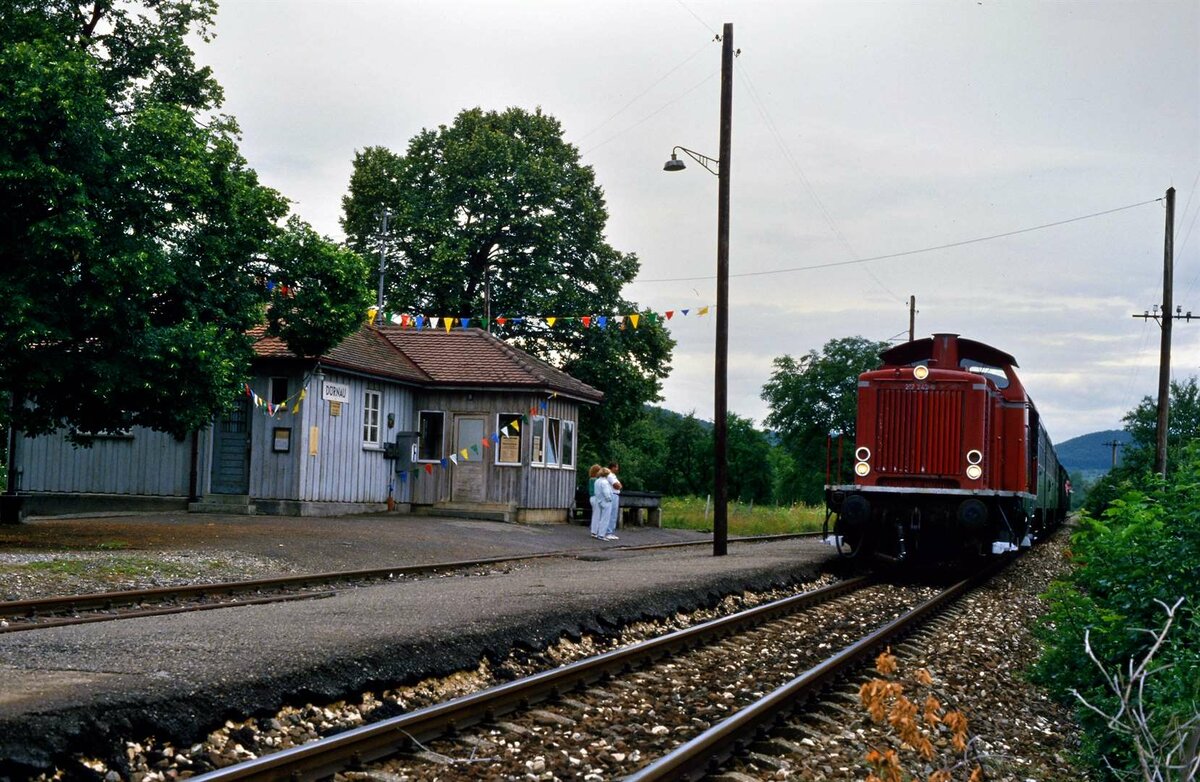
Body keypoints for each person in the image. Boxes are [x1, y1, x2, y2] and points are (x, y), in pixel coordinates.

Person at [602, 461, 623, 540]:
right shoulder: (610, 475)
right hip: (613, 495)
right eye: (617, 467)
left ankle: (610, 531)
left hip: (615, 495)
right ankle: (609, 532)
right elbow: (617, 485)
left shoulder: (613, 475)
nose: (617, 469)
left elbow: (619, 485)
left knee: (613, 514)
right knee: (612, 514)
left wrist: (619, 485)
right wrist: (619, 486)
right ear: (613, 467)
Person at [593, 467, 615, 540]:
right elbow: (606, 493)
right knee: (605, 518)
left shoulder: (597, 481)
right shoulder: (605, 482)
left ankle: (594, 531)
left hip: (598, 499)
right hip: (605, 501)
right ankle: (601, 534)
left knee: (597, 516)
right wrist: (610, 499)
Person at [587, 464, 605, 539]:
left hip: (592, 497)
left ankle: (594, 530)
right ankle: (595, 531)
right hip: (596, 497)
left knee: (595, 514)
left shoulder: (591, 479)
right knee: (597, 515)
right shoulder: (596, 480)